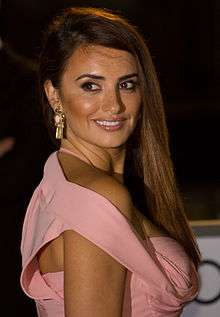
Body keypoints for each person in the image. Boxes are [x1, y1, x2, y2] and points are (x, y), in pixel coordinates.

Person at [20, 7, 201, 317]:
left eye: (126, 84)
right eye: (90, 86)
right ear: (54, 95)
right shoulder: (98, 199)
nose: (114, 105)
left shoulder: (60, 177)